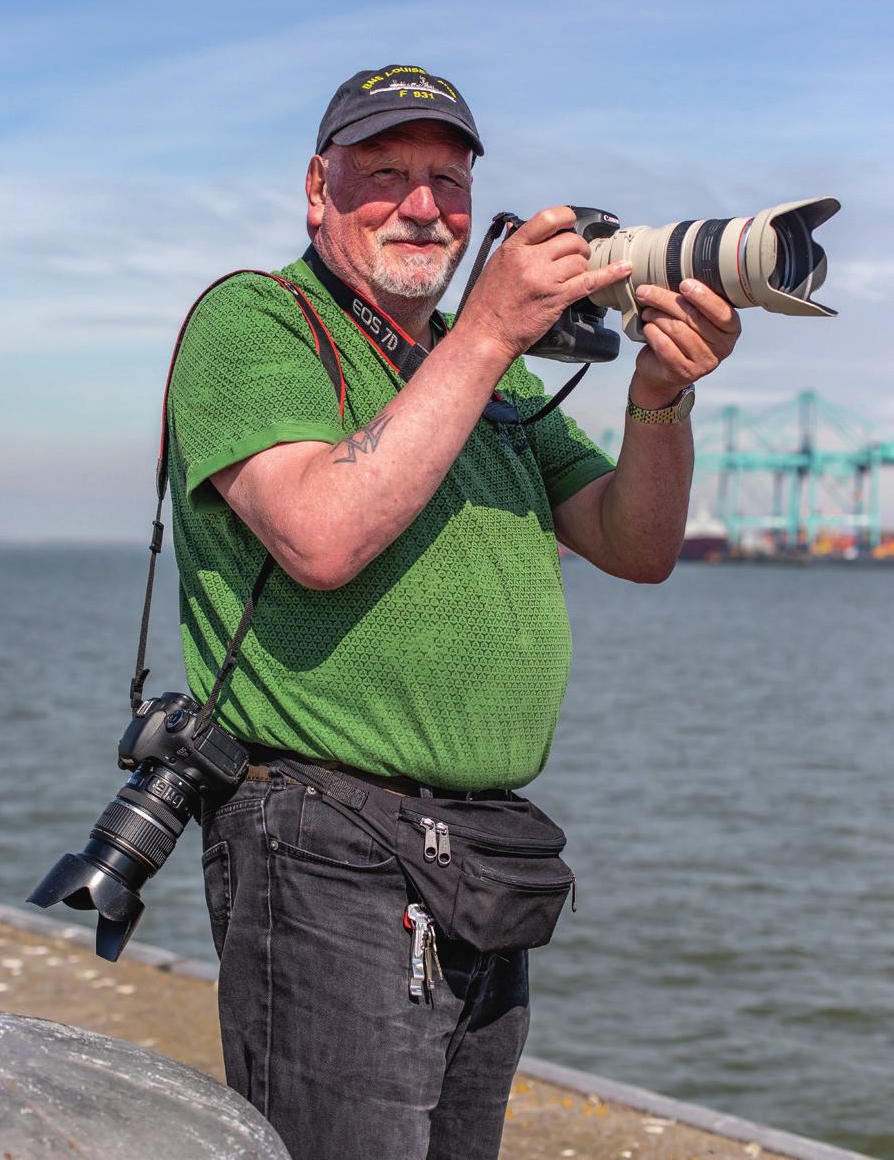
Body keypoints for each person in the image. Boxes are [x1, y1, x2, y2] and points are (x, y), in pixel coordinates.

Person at [167, 63, 740, 1159]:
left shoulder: (498, 376)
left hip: (478, 858)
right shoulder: (255, 323)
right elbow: (319, 535)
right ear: (315, 188)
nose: (422, 204)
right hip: (324, 844)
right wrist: (485, 333)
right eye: (383, 173)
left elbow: (637, 545)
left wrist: (659, 399)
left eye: (447, 178)